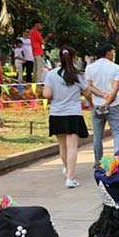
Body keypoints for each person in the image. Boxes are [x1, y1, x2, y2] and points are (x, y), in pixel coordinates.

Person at [43, 46, 91, 188]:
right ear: (74, 58)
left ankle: (67, 169)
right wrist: (91, 102)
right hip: (73, 114)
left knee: (62, 146)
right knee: (72, 147)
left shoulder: (51, 74)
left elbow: (46, 94)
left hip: (57, 113)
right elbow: (87, 93)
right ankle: (70, 178)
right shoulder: (78, 75)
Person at [85, 42, 119, 168]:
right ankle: (117, 161)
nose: (113, 54)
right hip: (113, 105)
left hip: (97, 105)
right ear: (108, 53)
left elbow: (89, 86)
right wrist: (108, 100)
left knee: (97, 135)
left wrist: (102, 95)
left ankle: (98, 162)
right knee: (117, 133)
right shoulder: (116, 67)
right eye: (112, 52)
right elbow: (116, 88)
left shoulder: (90, 68)